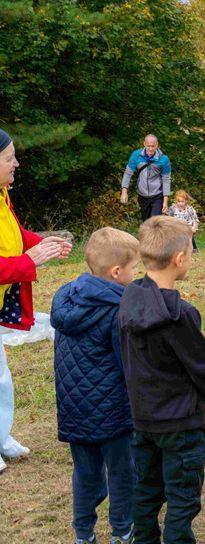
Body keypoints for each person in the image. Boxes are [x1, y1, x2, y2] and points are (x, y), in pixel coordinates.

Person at [119, 216, 205, 544]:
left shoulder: (129, 298)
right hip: (181, 423)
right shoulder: (181, 315)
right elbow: (200, 366)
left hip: (143, 419)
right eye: (190, 253)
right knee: (182, 497)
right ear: (179, 259)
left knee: (146, 492)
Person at [51, 227, 140, 544]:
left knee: (84, 474)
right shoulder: (118, 309)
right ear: (116, 272)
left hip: (74, 408)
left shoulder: (66, 297)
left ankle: (83, 534)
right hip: (113, 411)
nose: (136, 275)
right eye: (134, 269)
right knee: (123, 473)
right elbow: (127, 363)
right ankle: (122, 531)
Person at [0, 129, 72, 475]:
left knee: (0, 378)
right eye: (9, 157)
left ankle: (1, 437)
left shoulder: (3, 195)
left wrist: (44, 243)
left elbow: (13, 236)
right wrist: (32, 260)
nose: (16, 162)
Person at [120, 135, 172, 221]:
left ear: (157, 144)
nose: (151, 149)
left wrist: (165, 201)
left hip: (157, 195)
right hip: (142, 195)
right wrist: (124, 192)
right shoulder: (136, 155)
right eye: (148, 146)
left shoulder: (163, 159)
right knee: (146, 222)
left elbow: (166, 180)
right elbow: (128, 173)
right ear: (144, 144)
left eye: (153, 146)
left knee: (154, 222)